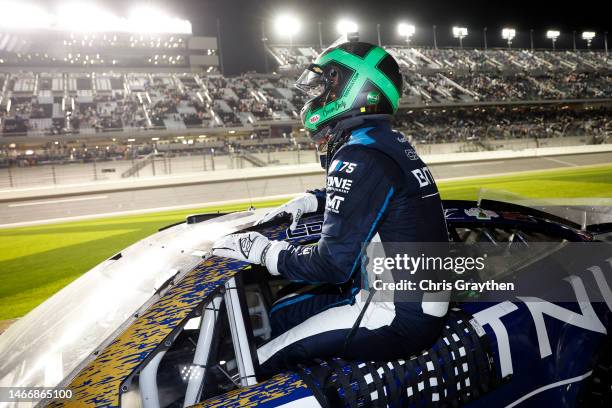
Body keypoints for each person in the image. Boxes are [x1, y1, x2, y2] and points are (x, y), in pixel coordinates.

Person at [212, 40, 449, 373]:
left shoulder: (360, 152)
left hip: (396, 315)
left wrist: (263, 251)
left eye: (326, 84)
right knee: (283, 311)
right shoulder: (385, 141)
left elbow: (332, 265)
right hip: (412, 301)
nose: (317, 96)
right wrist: (315, 198)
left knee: (256, 365)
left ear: (354, 86)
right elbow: (373, 195)